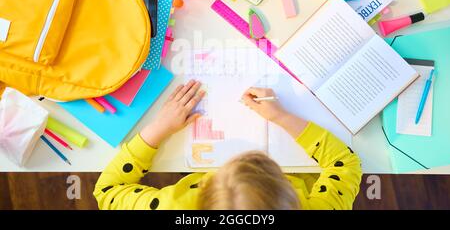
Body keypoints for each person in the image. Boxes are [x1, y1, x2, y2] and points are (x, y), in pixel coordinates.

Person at [94, 79, 362, 210]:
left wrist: (158, 128)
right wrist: (282, 116)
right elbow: (345, 164)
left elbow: (107, 191)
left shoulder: (175, 208)